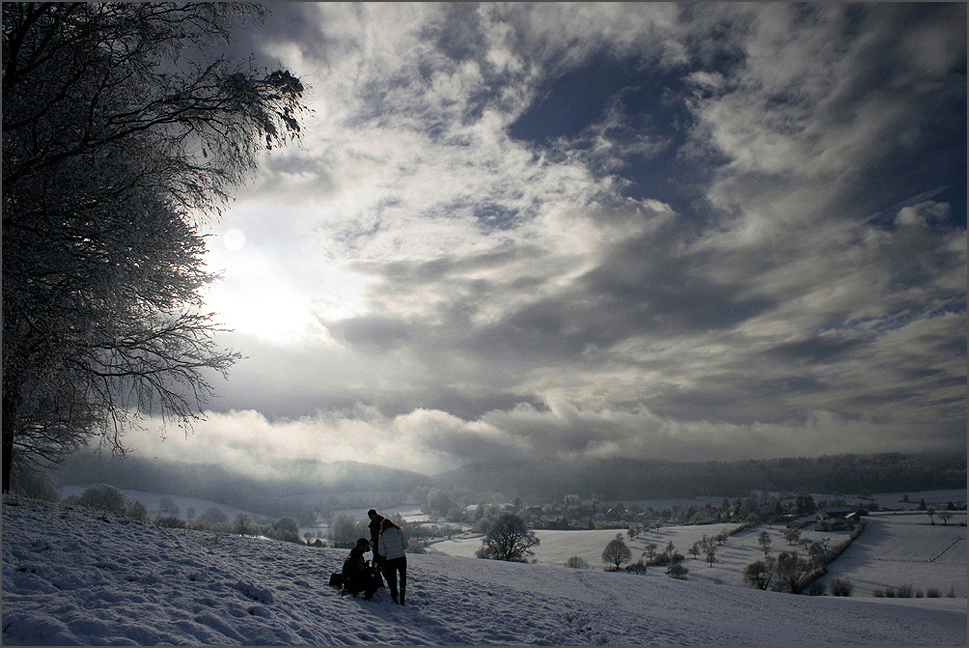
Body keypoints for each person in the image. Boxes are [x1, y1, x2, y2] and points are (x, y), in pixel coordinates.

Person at [377, 517, 408, 605]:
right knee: (403, 577)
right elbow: (405, 546)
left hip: (390, 559)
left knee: (393, 578)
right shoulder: (399, 533)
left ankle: (394, 596)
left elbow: (381, 552)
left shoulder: (382, 537)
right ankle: (402, 596)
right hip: (401, 557)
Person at [367, 509, 386, 586]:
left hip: (383, 547)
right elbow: (373, 536)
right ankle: (378, 582)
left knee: (383, 565)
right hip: (376, 548)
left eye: (373, 516)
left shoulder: (383, 522)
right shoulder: (373, 524)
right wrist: (372, 542)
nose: (372, 518)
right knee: (376, 565)